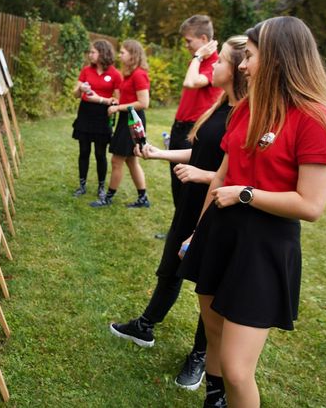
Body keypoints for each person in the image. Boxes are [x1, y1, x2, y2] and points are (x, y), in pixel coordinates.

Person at [178, 16, 326, 408]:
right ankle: (214, 401)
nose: (241, 65)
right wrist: (196, 233)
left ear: (278, 59)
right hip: (219, 232)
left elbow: (311, 205)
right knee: (214, 333)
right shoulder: (246, 108)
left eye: (249, 56)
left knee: (238, 369)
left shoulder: (316, 120)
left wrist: (247, 195)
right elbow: (221, 176)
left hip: (263, 247)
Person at [109, 36, 249, 393]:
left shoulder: (245, 112)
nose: (212, 66)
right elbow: (200, 155)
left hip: (218, 207)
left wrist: (204, 177)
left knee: (209, 284)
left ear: (235, 71)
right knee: (170, 266)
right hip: (193, 201)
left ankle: (201, 355)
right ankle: (145, 326)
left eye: (219, 62)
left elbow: (233, 170)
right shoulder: (221, 106)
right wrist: (160, 155)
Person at [169, 15, 223, 209]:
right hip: (180, 127)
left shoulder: (216, 65)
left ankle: (189, 234)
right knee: (176, 181)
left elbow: (190, 83)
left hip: (194, 131)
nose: (186, 45)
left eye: (188, 41)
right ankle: (177, 230)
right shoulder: (198, 63)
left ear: (204, 40)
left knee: (188, 188)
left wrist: (198, 56)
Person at [90, 39, 150, 208]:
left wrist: (118, 108)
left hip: (132, 120)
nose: (120, 55)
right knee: (131, 161)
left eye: (123, 52)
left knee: (117, 161)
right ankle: (143, 198)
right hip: (127, 119)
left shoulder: (139, 74)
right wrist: (118, 103)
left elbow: (144, 103)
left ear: (133, 55)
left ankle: (108, 198)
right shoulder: (130, 74)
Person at [72, 40, 122, 200]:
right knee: (84, 151)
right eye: (90, 52)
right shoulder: (86, 70)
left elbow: (117, 100)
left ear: (103, 53)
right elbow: (75, 94)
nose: (90, 54)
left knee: (100, 153)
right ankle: (82, 185)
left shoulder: (115, 74)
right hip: (85, 113)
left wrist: (101, 100)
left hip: (103, 115)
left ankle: (101, 187)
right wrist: (80, 89)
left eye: (93, 52)